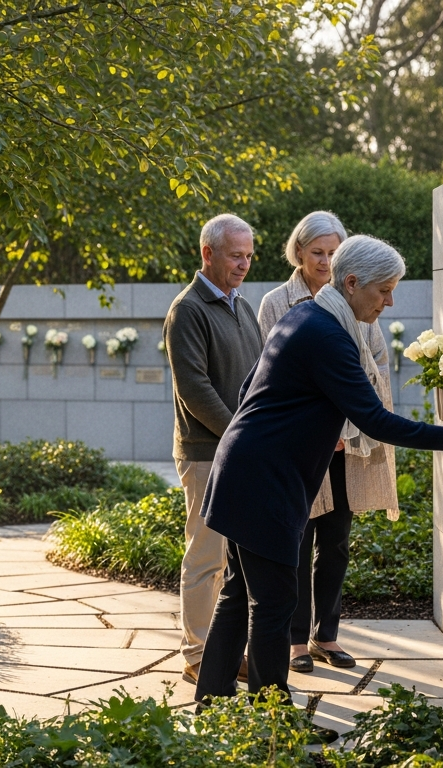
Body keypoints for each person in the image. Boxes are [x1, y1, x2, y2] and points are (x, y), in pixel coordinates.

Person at [193, 235, 443, 705]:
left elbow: (247, 391)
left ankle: (211, 700)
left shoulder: (304, 315)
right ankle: (271, 719)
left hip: (243, 469)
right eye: (384, 290)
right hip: (264, 484)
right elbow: (374, 418)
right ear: (352, 283)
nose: (390, 301)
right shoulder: (329, 336)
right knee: (273, 603)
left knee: (239, 593)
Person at [257, 212, 400, 673]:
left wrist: (347, 430)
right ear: (298, 252)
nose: (324, 260)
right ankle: (296, 642)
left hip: (348, 441)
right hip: (305, 442)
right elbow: (278, 372)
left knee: (336, 539)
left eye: (332, 252)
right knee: (296, 538)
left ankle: (327, 634)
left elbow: (375, 362)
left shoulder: (358, 299)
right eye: (317, 252)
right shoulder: (280, 303)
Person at [163, 213, 263, 686]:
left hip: (239, 450)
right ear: (208, 253)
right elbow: (195, 389)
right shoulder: (188, 309)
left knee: (233, 561)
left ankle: (225, 651)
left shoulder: (243, 307)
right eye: (235, 255)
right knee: (206, 557)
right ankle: (198, 655)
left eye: (248, 255)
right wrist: (240, 433)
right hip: (206, 452)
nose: (244, 264)